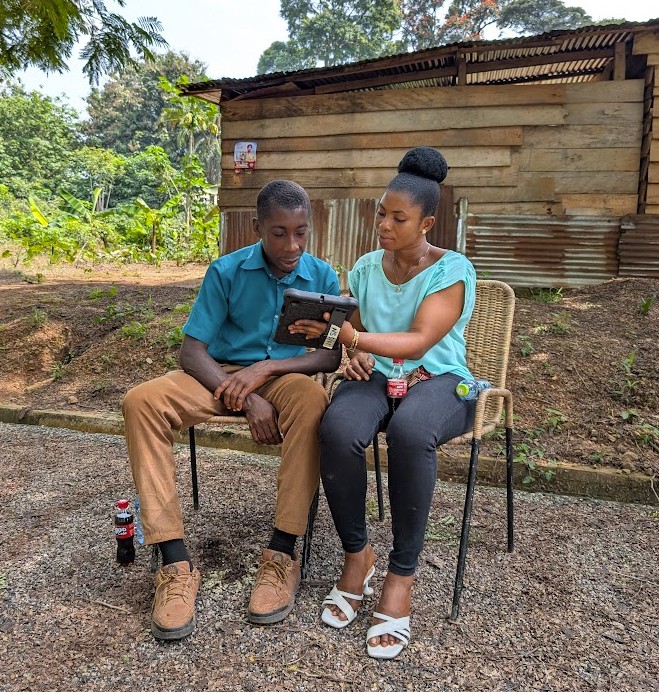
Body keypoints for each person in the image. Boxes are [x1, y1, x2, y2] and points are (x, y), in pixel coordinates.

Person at [122, 179, 341, 641]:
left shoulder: (322, 276)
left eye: (301, 231)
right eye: (279, 232)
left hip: (285, 378)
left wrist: (263, 373)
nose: (292, 244)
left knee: (314, 400)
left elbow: (329, 355)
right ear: (256, 226)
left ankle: (282, 554)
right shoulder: (226, 271)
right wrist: (239, 391)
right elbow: (192, 352)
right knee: (140, 401)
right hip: (218, 377)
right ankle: (174, 561)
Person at [288, 147, 477, 659]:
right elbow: (363, 330)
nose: (383, 225)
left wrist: (353, 336)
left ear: (426, 222)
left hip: (440, 380)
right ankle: (357, 556)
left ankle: (400, 578)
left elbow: (418, 342)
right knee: (336, 428)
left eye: (398, 218)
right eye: (380, 212)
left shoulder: (452, 270)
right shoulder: (368, 267)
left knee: (411, 433)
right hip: (378, 377)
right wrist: (348, 350)